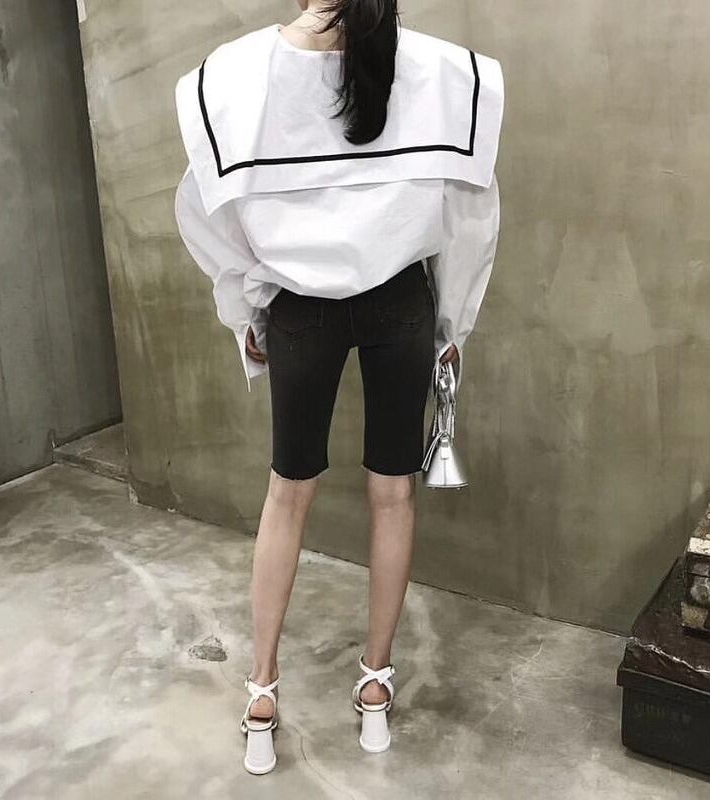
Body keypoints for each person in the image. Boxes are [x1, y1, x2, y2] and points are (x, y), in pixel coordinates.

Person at [174, 0, 503, 774]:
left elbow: (204, 208)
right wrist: (453, 323)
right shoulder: (441, 70)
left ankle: (261, 696)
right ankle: (376, 689)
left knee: (287, 494)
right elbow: (471, 211)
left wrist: (246, 303)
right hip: (401, 305)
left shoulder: (234, 76)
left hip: (299, 310)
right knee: (393, 493)